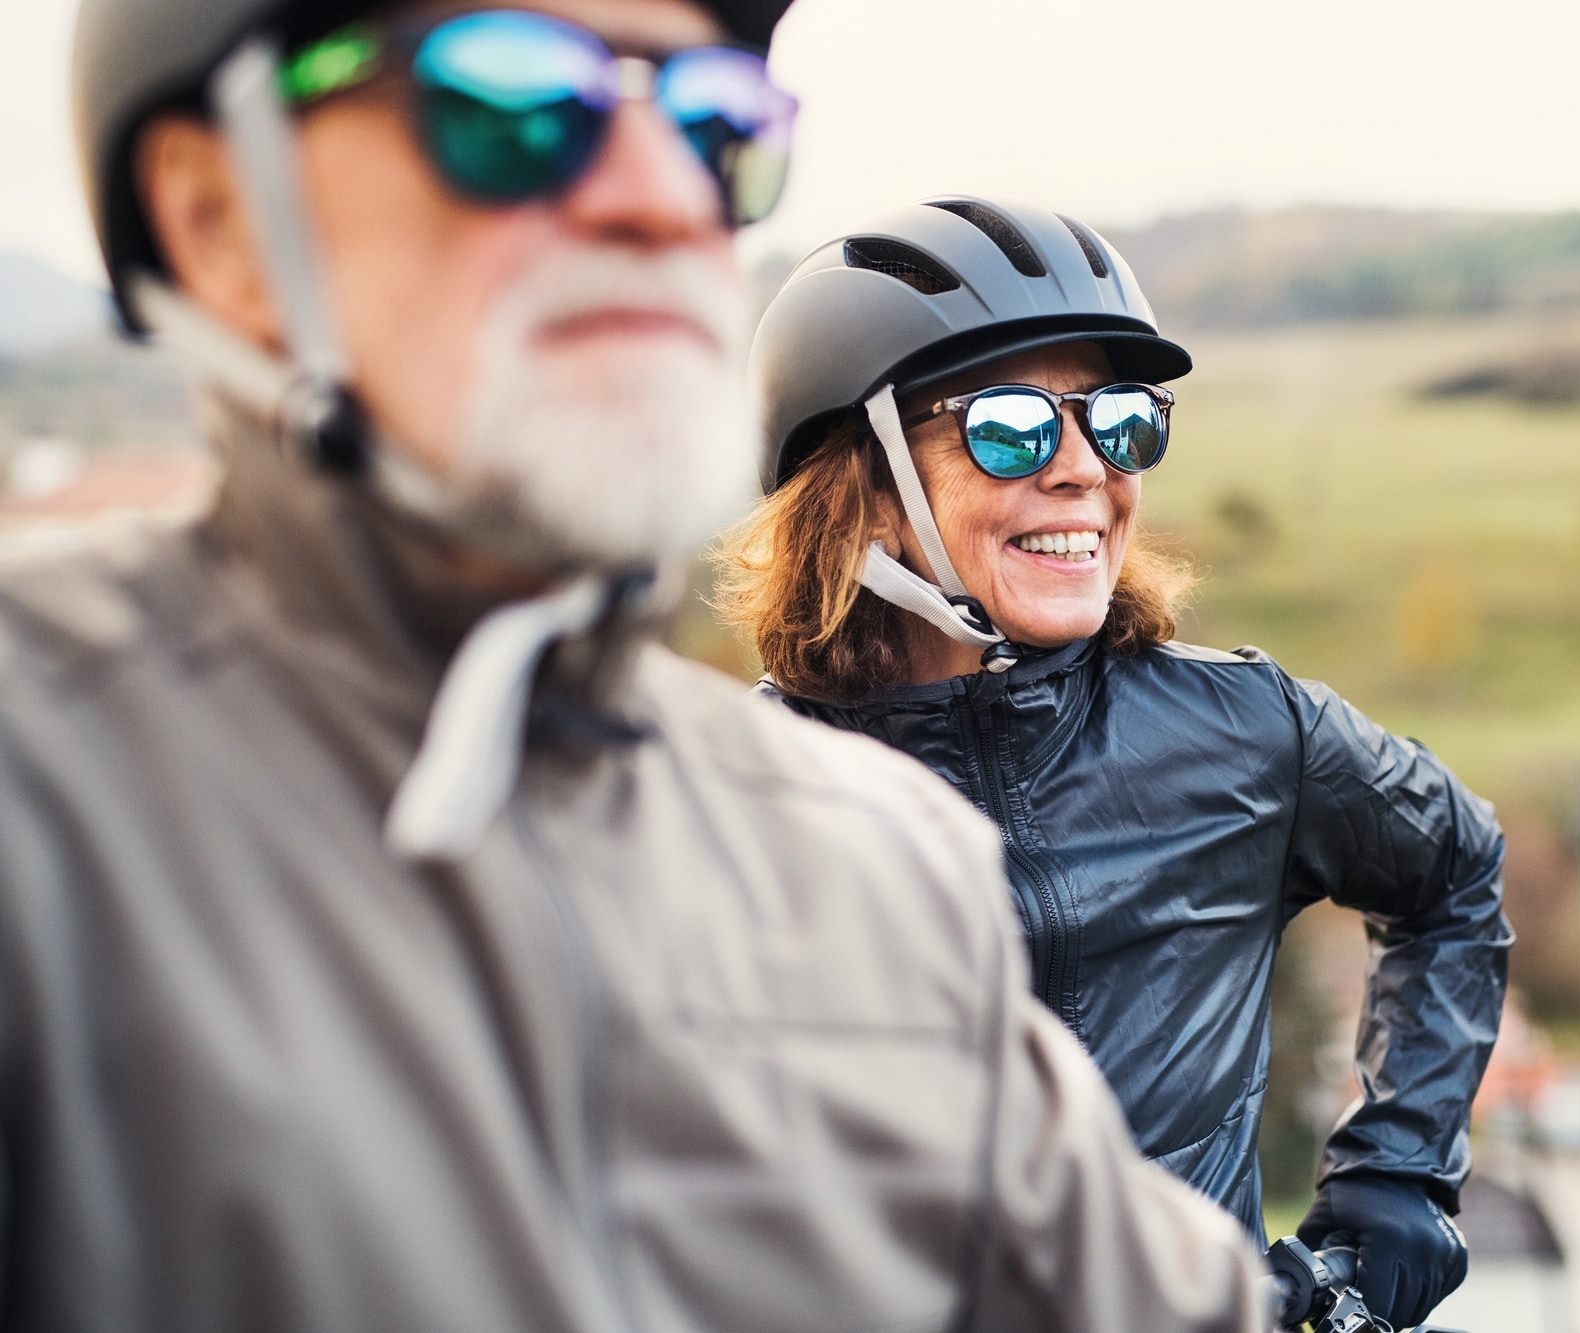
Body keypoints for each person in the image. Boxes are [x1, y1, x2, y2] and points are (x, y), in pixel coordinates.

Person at [0, 5, 1270, 1329]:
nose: (664, 197)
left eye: (714, 122)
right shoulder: (40, 803)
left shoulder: (880, 869)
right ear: (219, 215)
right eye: (515, 103)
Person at [724, 195, 1514, 1332]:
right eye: (1011, 426)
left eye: (1120, 420)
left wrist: (1395, 1171)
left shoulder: (1245, 730)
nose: (1084, 471)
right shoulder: (731, 803)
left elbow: (1455, 869)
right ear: (866, 490)